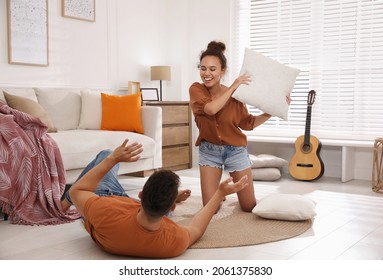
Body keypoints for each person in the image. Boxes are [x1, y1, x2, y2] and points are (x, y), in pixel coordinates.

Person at [61, 139, 248, 258]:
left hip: (106, 198)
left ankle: (64, 201)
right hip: (133, 207)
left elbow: (79, 190)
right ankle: (166, 198)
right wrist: (220, 194)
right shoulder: (172, 242)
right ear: (171, 208)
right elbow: (197, 228)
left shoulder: (104, 212)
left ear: (141, 195)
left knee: (104, 155)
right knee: (104, 161)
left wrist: (114, 159)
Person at [189, 41, 291, 212]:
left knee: (249, 206)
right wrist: (234, 86)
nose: (207, 73)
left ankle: (223, 193)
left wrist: (273, 110)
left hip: (235, 151)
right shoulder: (196, 89)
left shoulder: (236, 97)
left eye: (212, 69)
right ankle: (220, 194)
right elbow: (211, 109)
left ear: (222, 71)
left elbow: (248, 123)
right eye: (203, 68)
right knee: (210, 209)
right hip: (209, 152)